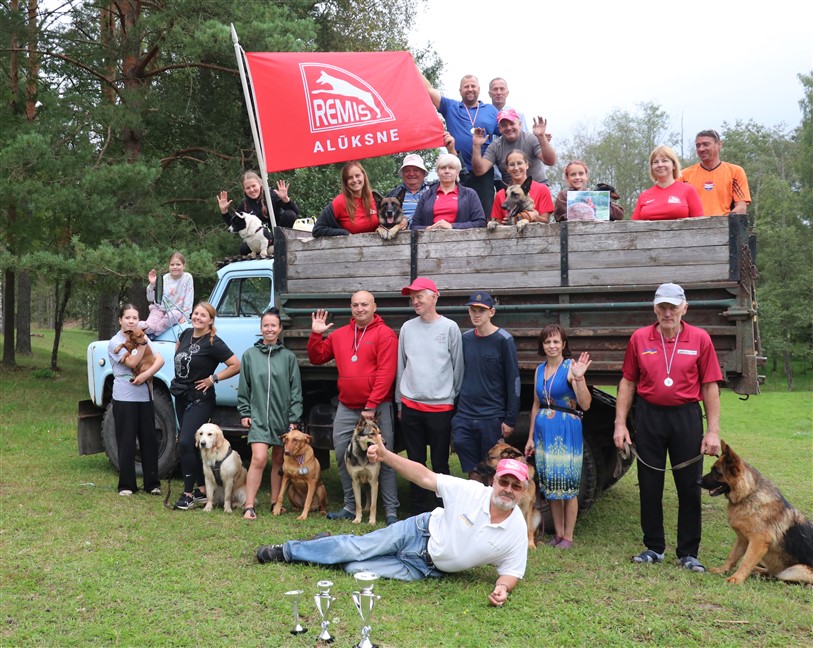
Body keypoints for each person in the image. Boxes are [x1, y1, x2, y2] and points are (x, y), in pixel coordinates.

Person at [256, 441, 530, 606]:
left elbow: (513, 570)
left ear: (523, 490)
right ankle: (287, 551)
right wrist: (386, 456)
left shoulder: (516, 529)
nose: (507, 489)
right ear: (494, 481)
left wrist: (502, 587)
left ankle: (325, 544)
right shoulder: (471, 491)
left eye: (515, 486)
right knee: (356, 549)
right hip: (418, 532)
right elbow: (424, 477)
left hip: (423, 569)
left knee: (354, 568)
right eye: (503, 481)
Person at [613, 283, 722, 572]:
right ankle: (654, 547)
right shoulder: (640, 338)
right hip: (649, 416)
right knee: (649, 485)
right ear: (654, 308)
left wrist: (712, 431)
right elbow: (628, 383)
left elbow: (710, 386)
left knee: (689, 486)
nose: (667, 312)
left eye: (673, 307)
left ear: (684, 308)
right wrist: (620, 424)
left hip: (686, 416)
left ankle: (688, 552)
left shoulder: (700, 339)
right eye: (662, 306)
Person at [307, 291, 400, 526]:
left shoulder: (385, 334)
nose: (360, 309)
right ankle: (351, 506)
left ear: (374, 306)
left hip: (376, 407)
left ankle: (390, 511)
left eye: (364, 304)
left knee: (383, 457)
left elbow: (386, 373)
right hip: (347, 406)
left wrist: (371, 405)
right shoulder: (339, 335)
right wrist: (316, 335)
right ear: (351, 308)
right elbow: (317, 357)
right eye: (355, 305)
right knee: (342, 453)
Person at [396, 277, 463, 514]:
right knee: (415, 461)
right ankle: (418, 510)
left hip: (440, 408)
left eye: (419, 296)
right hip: (411, 405)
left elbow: (458, 368)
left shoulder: (449, 328)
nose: (415, 301)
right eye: (413, 297)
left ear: (434, 297)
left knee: (440, 463)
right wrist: (399, 402)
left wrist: (450, 398)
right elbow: (401, 366)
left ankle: (443, 510)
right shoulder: (407, 328)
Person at [524, 325, 591, 549]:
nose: (551, 346)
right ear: (542, 345)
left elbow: (586, 404)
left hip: (566, 430)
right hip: (544, 432)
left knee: (568, 485)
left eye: (556, 342)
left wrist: (580, 379)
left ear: (563, 344)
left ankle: (569, 536)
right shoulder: (539, 369)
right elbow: (535, 405)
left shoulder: (571, 368)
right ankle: (558, 534)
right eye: (547, 342)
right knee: (551, 485)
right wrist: (531, 437)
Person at [171, 302, 240, 510]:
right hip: (181, 395)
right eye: (196, 313)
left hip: (200, 399)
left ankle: (188, 494)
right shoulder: (185, 334)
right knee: (189, 443)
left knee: (184, 442)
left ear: (211, 320)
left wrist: (213, 378)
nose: (198, 317)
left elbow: (236, 364)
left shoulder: (213, 342)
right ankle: (202, 489)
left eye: (203, 315)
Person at [237, 308, 303, 521]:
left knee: (278, 459)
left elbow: (295, 390)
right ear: (261, 328)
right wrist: (245, 412)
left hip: (281, 418)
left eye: (273, 325)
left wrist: (293, 418)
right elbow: (244, 387)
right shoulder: (249, 356)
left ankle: (276, 501)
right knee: (258, 458)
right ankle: (249, 506)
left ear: (280, 328)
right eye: (266, 325)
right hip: (258, 417)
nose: (269, 329)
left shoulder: (288, 358)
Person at [452, 292, 520, 479]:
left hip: (491, 417)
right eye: (473, 310)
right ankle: (474, 508)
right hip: (465, 416)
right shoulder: (465, 339)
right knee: (472, 470)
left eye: (481, 310)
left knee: (492, 471)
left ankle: (492, 508)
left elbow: (513, 380)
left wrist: (510, 419)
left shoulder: (504, 340)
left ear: (492, 312)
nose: (476, 314)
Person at [421, 73, 500, 216]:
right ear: (460, 91)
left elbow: (508, 133)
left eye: (473, 86)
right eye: (466, 87)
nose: (470, 89)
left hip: (484, 171)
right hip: (458, 170)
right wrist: (411, 64)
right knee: (459, 213)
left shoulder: (491, 111)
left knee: (484, 214)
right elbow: (429, 90)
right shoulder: (451, 107)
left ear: (479, 89)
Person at [108, 304, 165, 496]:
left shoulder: (142, 336)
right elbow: (131, 362)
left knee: (149, 439)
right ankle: (126, 485)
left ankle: (152, 483)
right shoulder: (114, 342)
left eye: (135, 318)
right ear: (120, 320)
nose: (131, 321)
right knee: (126, 440)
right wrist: (142, 343)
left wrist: (146, 374)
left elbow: (160, 360)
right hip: (124, 396)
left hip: (145, 395)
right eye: (127, 318)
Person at [217, 171, 300, 253]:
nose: (252, 190)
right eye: (248, 188)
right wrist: (224, 211)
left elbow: (295, 212)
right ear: (244, 189)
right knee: (243, 249)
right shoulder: (244, 204)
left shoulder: (271, 194)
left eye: (253, 186)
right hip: (259, 240)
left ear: (260, 184)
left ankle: (277, 246)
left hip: (278, 235)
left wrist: (286, 200)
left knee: (289, 215)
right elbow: (234, 225)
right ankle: (266, 250)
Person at [472, 109, 556, 185]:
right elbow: (480, 171)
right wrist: (476, 146)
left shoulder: (531, 138)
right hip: (513, 191)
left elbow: (550, 161)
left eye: (512, 124)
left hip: (538, 185)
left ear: (520, 124)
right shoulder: (495, 146)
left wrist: (541, 137)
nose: (508, 128)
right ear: (499, 128)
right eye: (504, 125)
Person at [680, 129, 751, 216]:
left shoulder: (735, 172)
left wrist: (723, 222)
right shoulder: (684, 175)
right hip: (693, 226)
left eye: (706, 144)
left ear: (719, 145)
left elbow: (741, 206)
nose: (701, 149)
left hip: (723, 225)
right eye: (698, 145)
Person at [410, 154, 486, 230]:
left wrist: (452, 226)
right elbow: (414, 226)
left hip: (461, 240)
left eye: (451, 168)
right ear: (437, 172)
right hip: (430, 239)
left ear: (457, 172)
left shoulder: (470, 194)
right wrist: (428, 228)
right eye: (443, 168)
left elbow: (480, 222)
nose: (447, 171)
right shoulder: (426, 195)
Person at [632, 146, 704, 220]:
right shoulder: (644, 196)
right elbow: (633, 227)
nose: (660, 165)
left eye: (664, 161)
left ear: (673, 165)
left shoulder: (688, 190)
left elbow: (700, 224)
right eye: (655, 162)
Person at [312, 161, 379, 237]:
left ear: (363, 176)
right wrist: (344, 233)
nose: (354, 180)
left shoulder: (375, 197)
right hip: (350, 247)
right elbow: (318, 229)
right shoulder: (339, 202)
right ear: (345, 182)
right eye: (350, 178)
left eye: (357, 176)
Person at [490, 150, 554, 224]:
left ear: (527, 165)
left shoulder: (542, 189)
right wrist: (503, 224)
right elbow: (498, 225)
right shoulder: (500, 194)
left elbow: (546, 222)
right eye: (512, 164)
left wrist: (534, 217)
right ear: (507, 169)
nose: (516, 168)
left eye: (519, 163)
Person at [553, 161, 625, 222]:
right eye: (573, 174)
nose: (577, 177)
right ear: (567, 177)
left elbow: (619, 215)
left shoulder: (594, 195)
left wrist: (605, 203)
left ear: (586, 176)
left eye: (581, 174)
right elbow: (561, 216)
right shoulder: (563, 196)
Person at [143, 251, 194, 336]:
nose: (175, 267)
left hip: (176, 312)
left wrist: (185, 315)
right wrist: (152, 284)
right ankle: (148, 329)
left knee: (172, 315)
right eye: (172, 264)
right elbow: (151, 298)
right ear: (169, 266)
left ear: (184, 266)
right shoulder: (163, 279)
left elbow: (189, 298)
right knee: (148, 327)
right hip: (160, 309)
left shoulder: (187, 277)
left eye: (178, 264)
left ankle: (157, 332)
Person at [386, 153, 431, 226]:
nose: (411, 174)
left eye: (416, 170)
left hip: (429, 234)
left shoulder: (433, 190)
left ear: (423, 173)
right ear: (402, 174)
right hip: (400, 235)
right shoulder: (392, 194)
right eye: (407, 171)